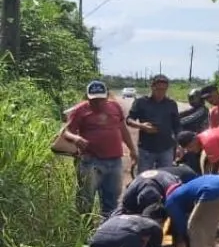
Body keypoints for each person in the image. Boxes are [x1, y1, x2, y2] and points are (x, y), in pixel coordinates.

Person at [63, 81, 139, 218]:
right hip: (90, 161)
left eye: (100, 99)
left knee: (112, 201)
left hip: (114, 161)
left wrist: (132, 149)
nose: (98, 103)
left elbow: (123, 129)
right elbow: (66, 131)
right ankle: (84, 234)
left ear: (106, 96)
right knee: (85, 200)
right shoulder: (80, 110)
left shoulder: (115, 107)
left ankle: (107, 231)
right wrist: (76, 138)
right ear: (87, 97)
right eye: (94, 100)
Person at [126, 74, 181, 172]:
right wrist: (142, 126)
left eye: (164, 90)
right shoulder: (141, 102)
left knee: (166, 178)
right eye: (158, 89)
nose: (161, 92)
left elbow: (177, 126)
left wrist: (179, 145)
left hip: (166, 148)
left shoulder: (171, 104)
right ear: (152, 87)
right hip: (146, 149)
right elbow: (129, 120)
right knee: (144, 178)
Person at [117, 165, 196, 216]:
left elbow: (178, 209)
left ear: (161, 197)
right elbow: (122, 214)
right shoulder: (128, 197)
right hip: (154, 179)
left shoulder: (171, 187)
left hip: (181, 174)